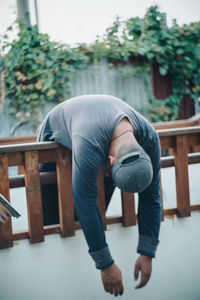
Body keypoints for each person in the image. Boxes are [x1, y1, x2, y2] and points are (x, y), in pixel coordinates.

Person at [37, 94, 161, 296]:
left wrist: (147, 253)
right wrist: (105, 265)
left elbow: (151, 196)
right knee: (53, 217)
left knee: (94, 212)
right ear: (110, 162)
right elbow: (84, 201)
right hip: (56, 132)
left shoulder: (150, 138)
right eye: (110, 173)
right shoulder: (89, 140)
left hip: (98, 129)